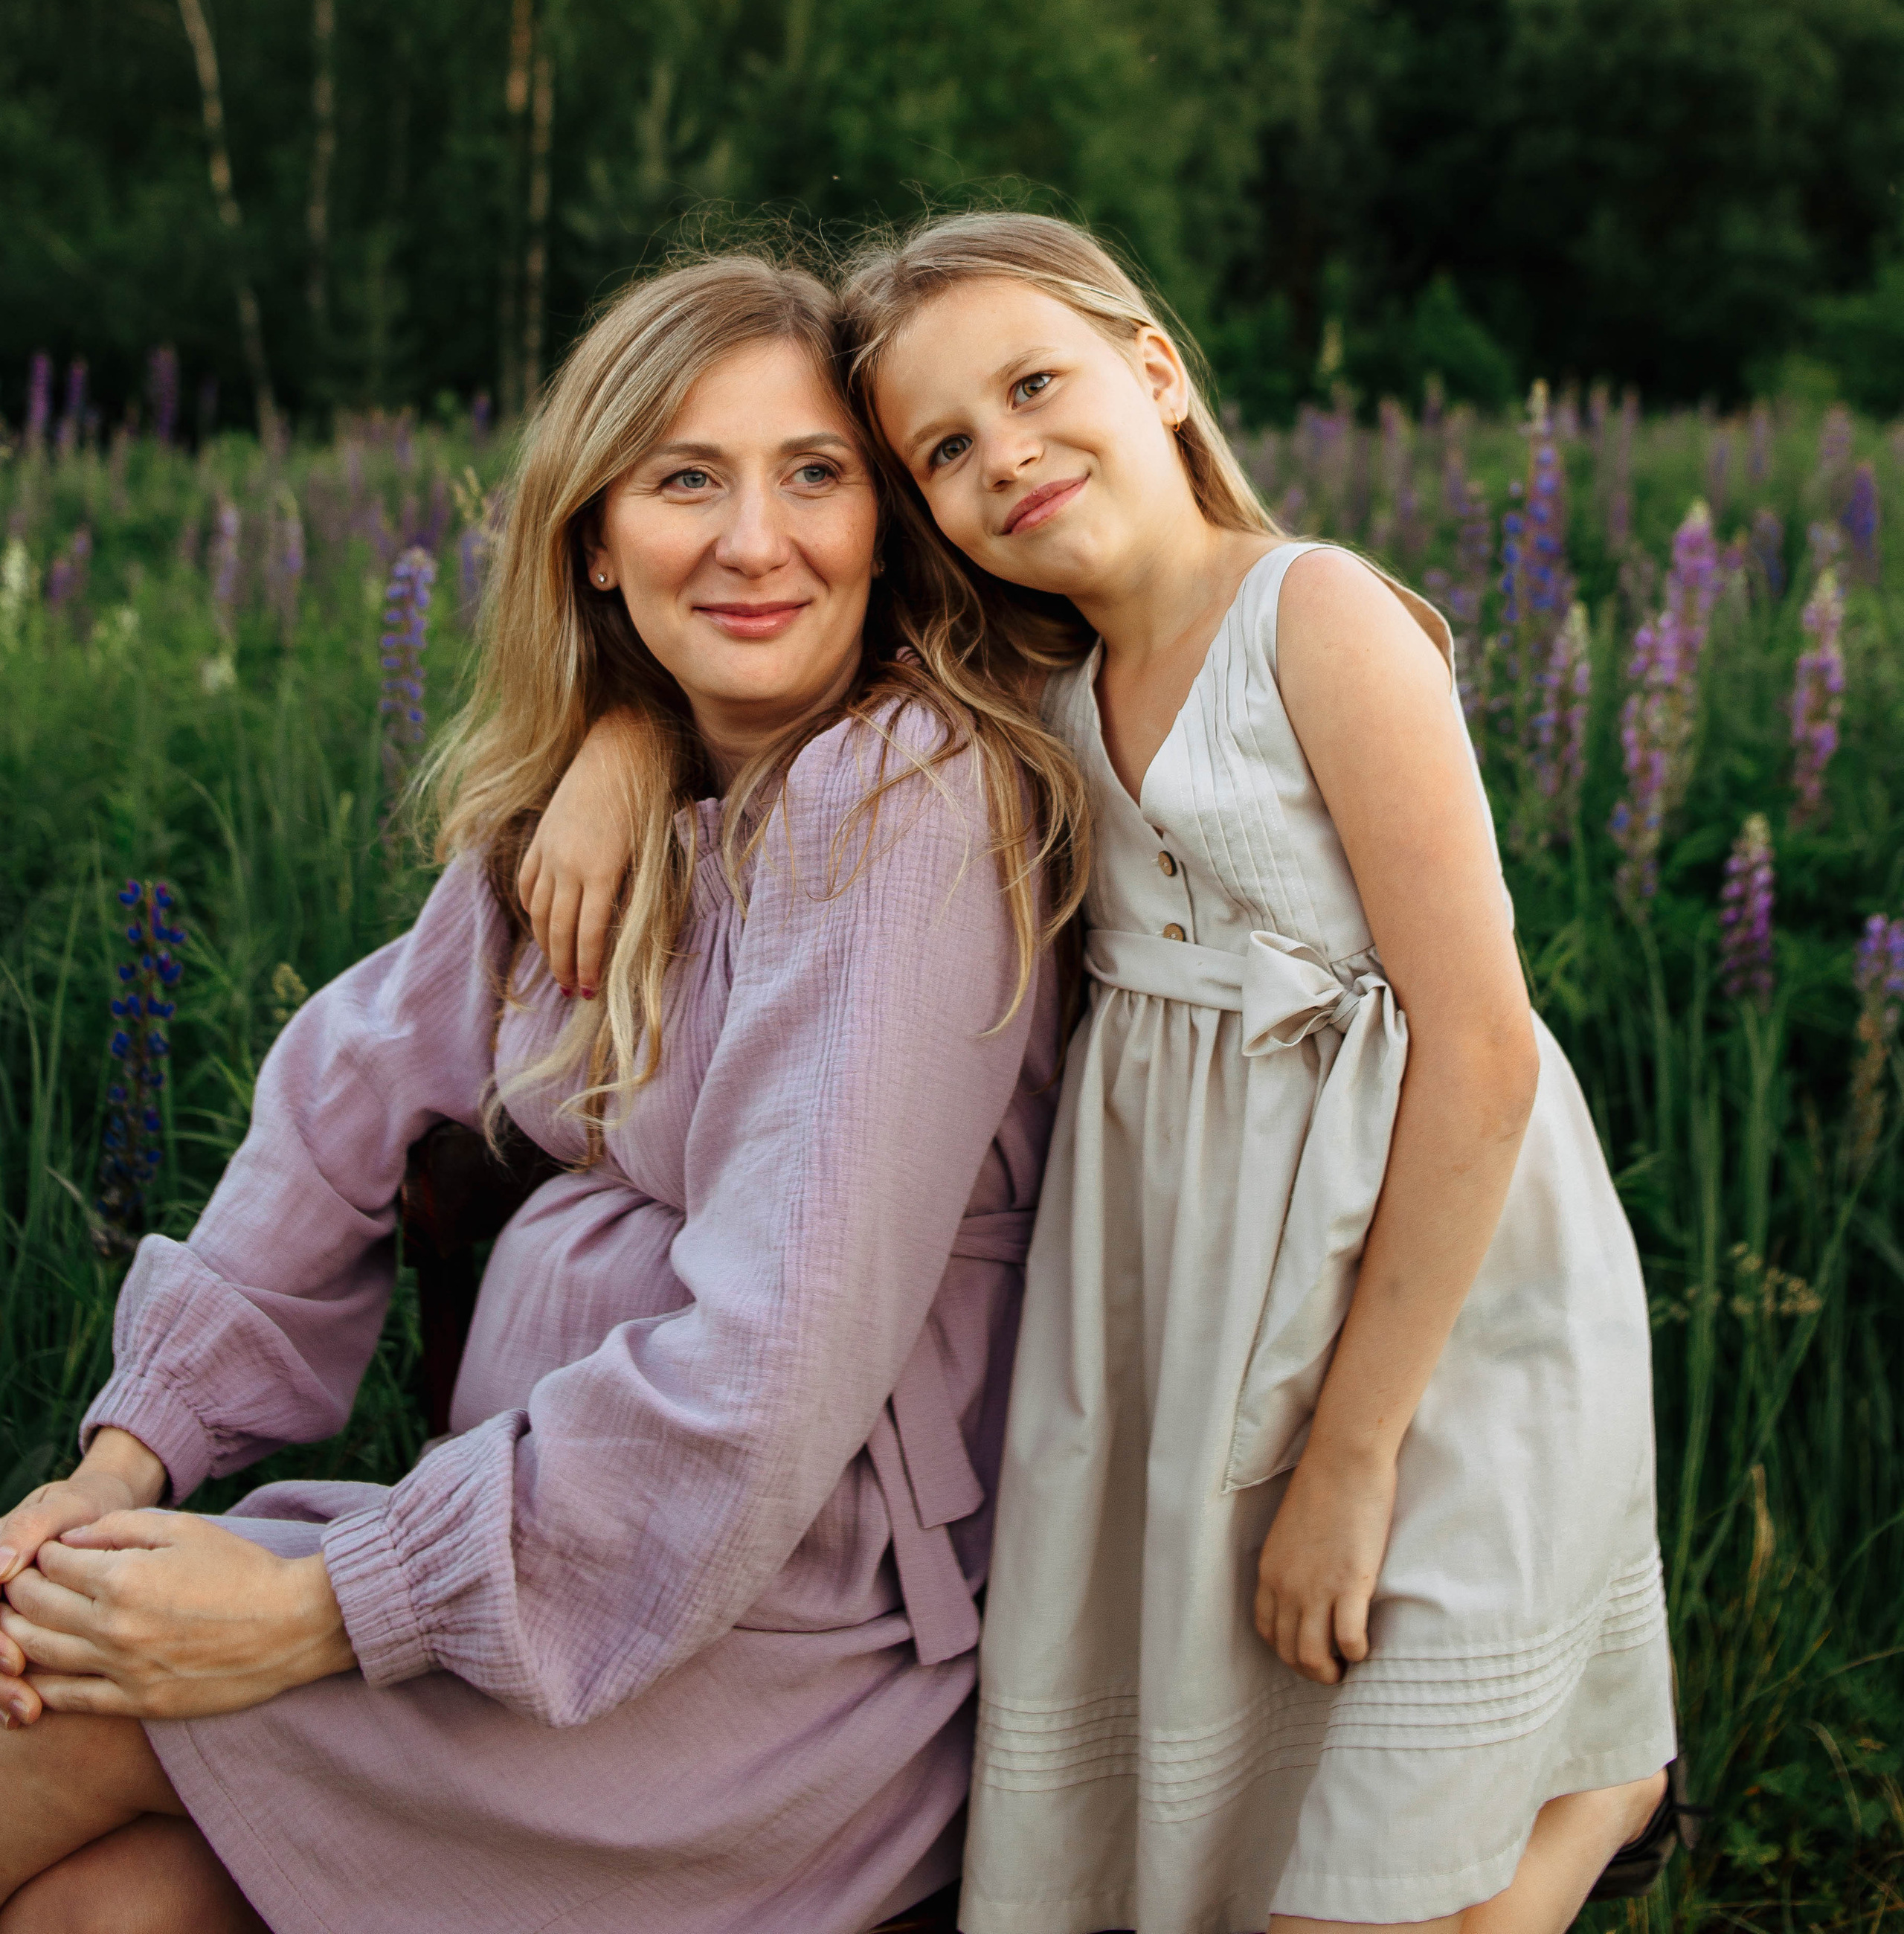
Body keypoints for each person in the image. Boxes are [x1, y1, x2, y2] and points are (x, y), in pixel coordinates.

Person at [0, 251, 1085, 1934]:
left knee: (41, 1712)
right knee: (108, 1909)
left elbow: (770, 1373)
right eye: (682, 479)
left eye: (815, 475)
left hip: (779, 1646)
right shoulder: (621, 816)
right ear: (592, 535)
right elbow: (341, 1105)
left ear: (889, 527)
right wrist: (126, 1464)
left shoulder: (903, 810)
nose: (753, 539)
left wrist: (320, 1608)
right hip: (541, 1579)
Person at [838, 211, 1681, 1934]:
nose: (1004, 452)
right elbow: (735, 678)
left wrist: (1354, 1453)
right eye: (943, 445)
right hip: (1185, 1316)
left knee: (1371, 1863)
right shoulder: (1030, 689)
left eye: (1032, 384)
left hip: (1431, 1312)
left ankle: (1603, 1789)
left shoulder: (1315, 617)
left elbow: (1482, 1046)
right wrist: (625, 769)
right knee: (1279, 1857)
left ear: (1150, 371)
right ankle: (1598, 1798)